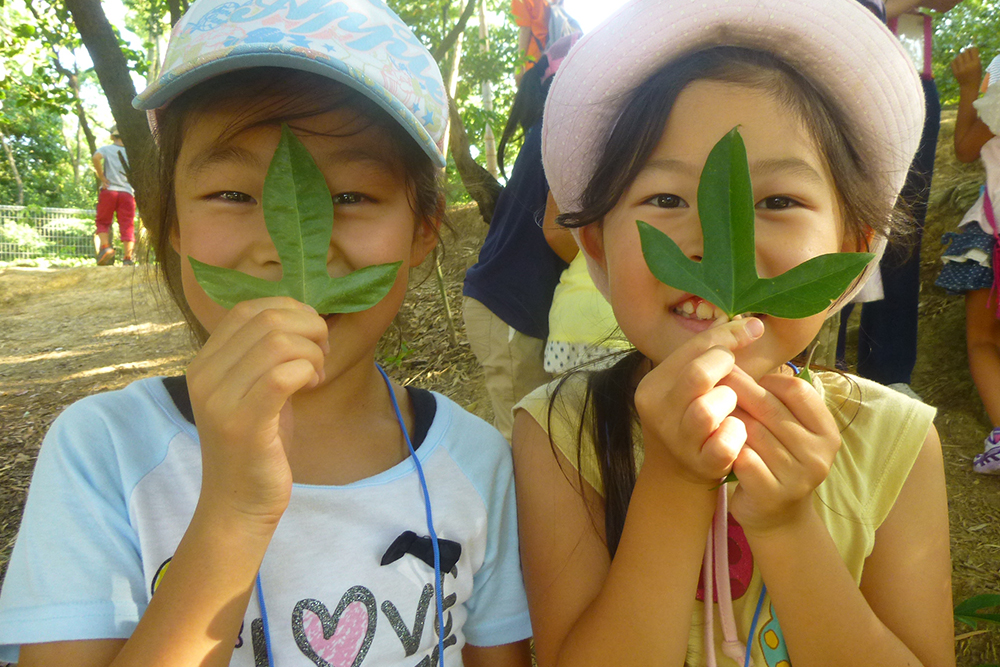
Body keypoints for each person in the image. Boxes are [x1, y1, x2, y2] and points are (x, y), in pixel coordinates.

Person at [0, 1, 533, 665]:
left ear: (424, 228)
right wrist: (234, 508)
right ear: (171, 223)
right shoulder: (102, 454)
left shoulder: (478, 463)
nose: (285, 248)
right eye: (233, 195)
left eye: (350, 196)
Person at [512, 1, 954, 665]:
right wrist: (673, 482)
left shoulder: (897, 443)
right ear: (598, 246)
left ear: (852, 252)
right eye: (665, 200)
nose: (717, 247)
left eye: (777, 202)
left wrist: (786, 523)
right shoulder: (556, 433)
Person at [837, 0, 963, 397]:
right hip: (840, 65)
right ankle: (819, 361)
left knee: (903, 227)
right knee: (834, 218)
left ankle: (889, 373)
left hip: (910, 74)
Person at [463, 35, 576, 439]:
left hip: (508, 305)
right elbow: (558, 232)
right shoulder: (565, 130)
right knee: (524, 441)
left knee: (546, 431)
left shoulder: (549, 130)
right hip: (508, 308)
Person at [935, 47, 1000, 473]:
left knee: (983, 340)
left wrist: (966, 87)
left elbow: (963, 149)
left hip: (993, 227)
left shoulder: (998, 82)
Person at [92, 125, 136, 266]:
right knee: (127, 225)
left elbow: (95, 157)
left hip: (109, 191)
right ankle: (128, 258)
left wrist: (102, 177)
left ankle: (106, 248)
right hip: (127, 193)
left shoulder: (106, 149)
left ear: (112, 136)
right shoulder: (132, 153)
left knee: (103, 221)